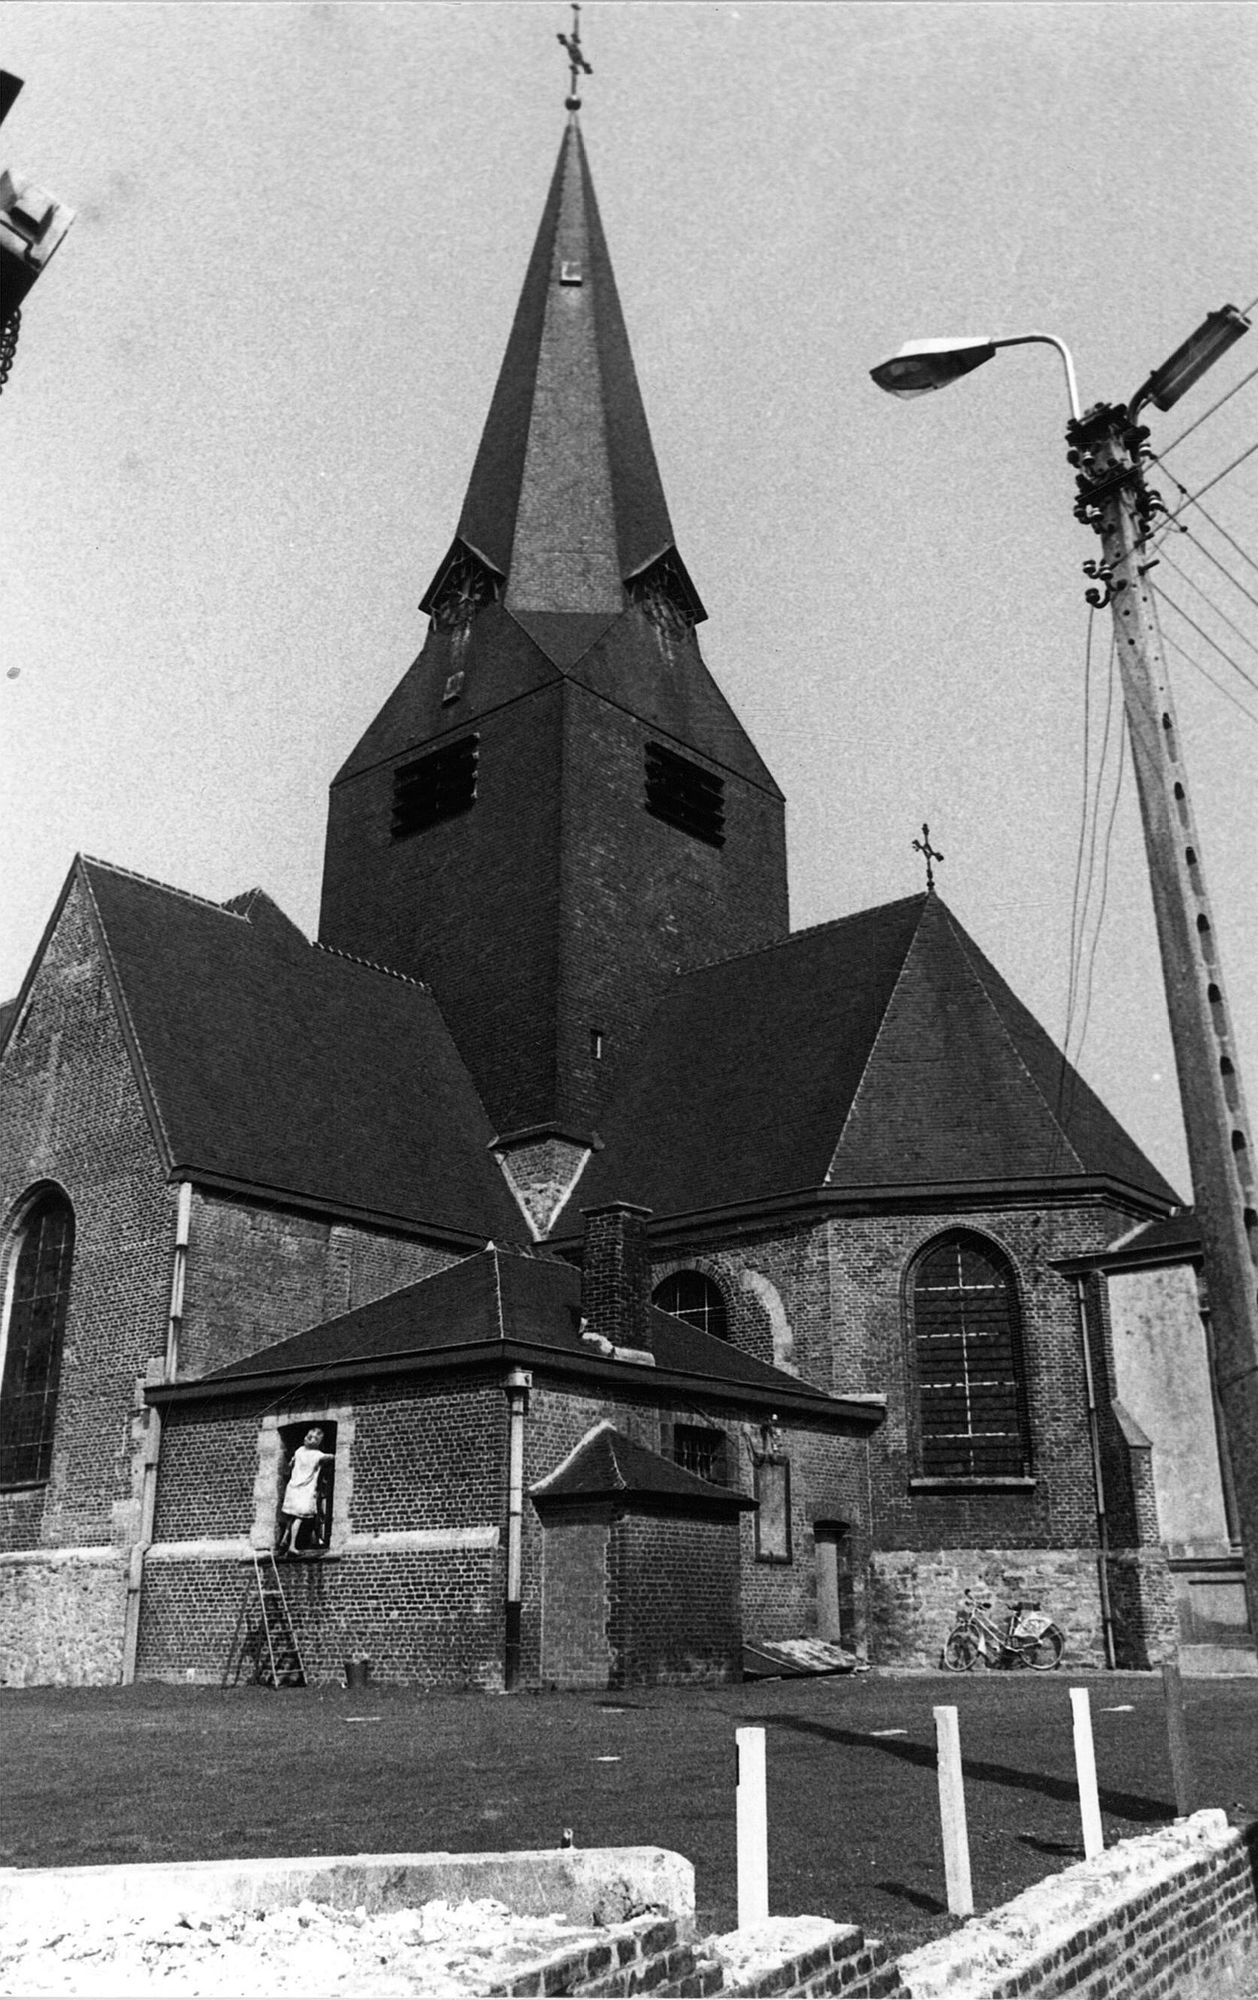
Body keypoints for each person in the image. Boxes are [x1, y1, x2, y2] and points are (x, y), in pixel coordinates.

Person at [276, 1427, 334, 1557]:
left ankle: (284, 1539)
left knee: (291, 1516)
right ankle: (292, 1545)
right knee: (299, 1518)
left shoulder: (299, 1451)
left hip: (292, 1488)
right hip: (305, 1489)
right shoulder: (317, 1455)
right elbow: (328, 1458)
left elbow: (291, 1463)